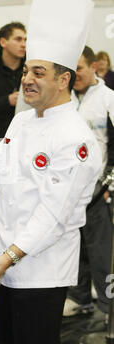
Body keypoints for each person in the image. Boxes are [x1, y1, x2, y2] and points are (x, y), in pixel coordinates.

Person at [0, 0, 101, 344]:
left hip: (39, 271)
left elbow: (54, 214)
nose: (27, 79)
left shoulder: (77, 139)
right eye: (26, 70)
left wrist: (10, 256)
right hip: (3, 264)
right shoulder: (25, 119)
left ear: (64, 79)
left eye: (38, 73)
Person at [63, 46, 114, 318]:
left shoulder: (109, 99)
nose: (74, 74)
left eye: (79, 68)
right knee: (74, 247)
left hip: (99, 191)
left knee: (102, 254)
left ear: (94, 66)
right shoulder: (64, 99)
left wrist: (108, 186)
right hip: (68, 190)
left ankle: (108, 309)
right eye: (71, 69)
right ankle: (79, 296)